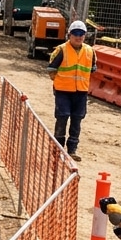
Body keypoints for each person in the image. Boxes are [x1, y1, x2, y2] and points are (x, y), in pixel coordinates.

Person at [47, 20, 96, 161]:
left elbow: (92, 69)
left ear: (85, 35)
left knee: (77, 120)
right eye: (75, 33)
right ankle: (58, 148)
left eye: (81, 34)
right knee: (62, 117)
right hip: (63, 91)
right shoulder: (61, 50)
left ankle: (72, 150)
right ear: (70, 35)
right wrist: (58, 82)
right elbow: (51, 69)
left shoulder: (90, 51)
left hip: (81, 92)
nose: (78, 36)